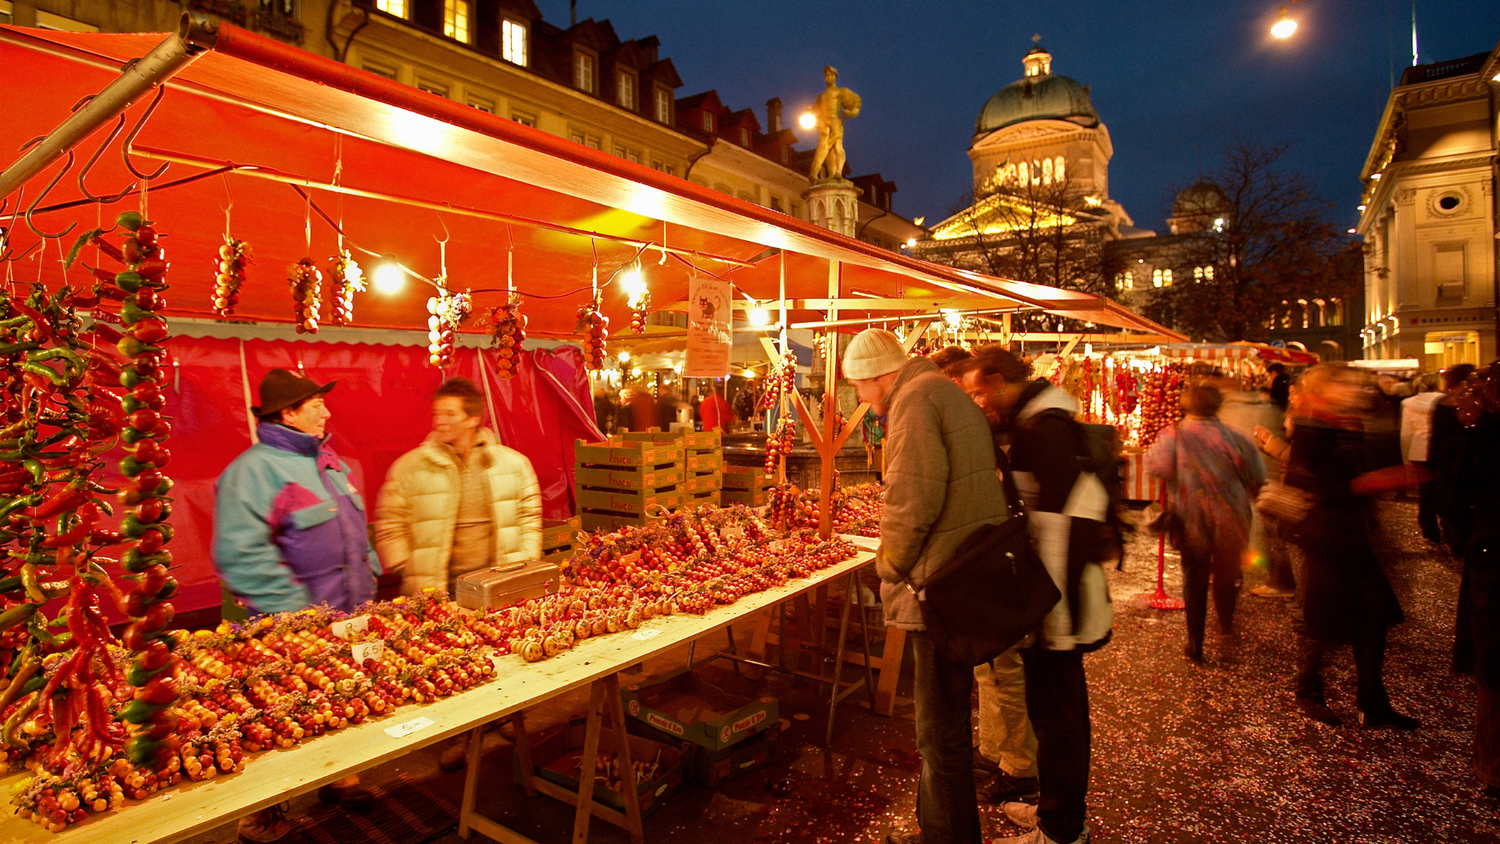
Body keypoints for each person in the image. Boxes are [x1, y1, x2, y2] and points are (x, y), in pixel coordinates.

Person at [842, 329, 1006, 844]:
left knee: (939, 733)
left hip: (937, 584)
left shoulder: (912, 403)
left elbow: (912, 502)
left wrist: (888, 565)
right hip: (961, 572)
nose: (860, 398)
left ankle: (949, 836)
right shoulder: (941, 390)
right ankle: (936, 827)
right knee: (945, 725)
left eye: (860, 387)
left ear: (878, 376)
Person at [212, 368, 381, 841]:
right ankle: (262, 813)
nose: (327, 411)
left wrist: (371, 574)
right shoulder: (252, 472)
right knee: (280, 715)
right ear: (288, 413)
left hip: (347, 614)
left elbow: (352, 531)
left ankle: (339, 775)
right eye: (316, 405)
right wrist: (292, 616)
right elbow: (240, 554)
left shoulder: (330, 463)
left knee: (339, 700)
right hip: (289, 624)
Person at [958, 346, 1112, 844]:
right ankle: (1053, 812)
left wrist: (1048, 615)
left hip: (1058, 603)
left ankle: (1063, 829)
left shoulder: (1043, 431)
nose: (979, 403)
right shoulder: (1040, 422)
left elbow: (1059, 528)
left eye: (980, 391)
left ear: (1000, 380)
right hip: (1056, 599)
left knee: (1059, 714)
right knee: (1053, 711)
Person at [375, 378, 542, 771]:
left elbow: (529, 513)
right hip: (441, 587)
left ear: (472, 419)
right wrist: (407, 566)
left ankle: (502, 716)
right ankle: (457, 736)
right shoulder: (411, 467)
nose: (440, 421)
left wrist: (526, 559)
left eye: (449, 414)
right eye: (436, 413)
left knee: (503, 658)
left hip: (497, 584)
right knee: (448, 666)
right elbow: (389, 520)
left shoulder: (511, 464)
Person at [1279, 365, 1417, 730]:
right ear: (1325, 391)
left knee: (1371, 616)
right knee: (1320, 622)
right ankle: (1309, 689)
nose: (1354, 391)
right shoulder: (1311, 428)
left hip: (1348, 537)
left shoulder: (1345, 425)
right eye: (1345, 385)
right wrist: (1370, 482)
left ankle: (1371, 699)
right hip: (1324, 538)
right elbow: (1316, 483)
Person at [933, 345, 1038, 806]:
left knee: (1004, 668)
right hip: (992, 557)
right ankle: (997, 750)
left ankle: (1019, 767)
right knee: (992, 671)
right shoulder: (976, 426)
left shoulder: (985, 429)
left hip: (997, 560)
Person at [1145, 385, 1266, 663]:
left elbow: (1157, 468)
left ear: (1186, 405)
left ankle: (1195, 641)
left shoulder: (1174, 435)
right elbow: (1257, 474)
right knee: (1226, 574)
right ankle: (1225, 627)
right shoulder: (1236, 437)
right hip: (1232, 516)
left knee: (1194, 576)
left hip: (1191, 517)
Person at [1400, 374, 1443, 542]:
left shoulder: (1410, 404)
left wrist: (1406, 459)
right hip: (1440, 448)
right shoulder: (1445, 401)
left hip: (1418, 449)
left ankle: (1428, 526)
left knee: (1425, 492)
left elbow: (1406, 433)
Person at [807, 65, 862, 182]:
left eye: (829, 75)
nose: (827, 78)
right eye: (825, 76)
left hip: (835, 120)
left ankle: (838, 172)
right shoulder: (821, 97)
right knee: (825, 149)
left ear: (834, 77)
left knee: (837, 146)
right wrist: (810, 114)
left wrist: (850, 112)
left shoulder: (840, 92)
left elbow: (856, 103)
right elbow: (815, 112)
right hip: (824, 122)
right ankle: (828, 173)